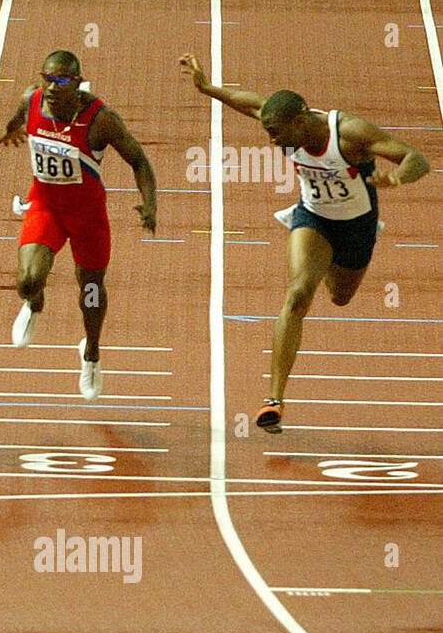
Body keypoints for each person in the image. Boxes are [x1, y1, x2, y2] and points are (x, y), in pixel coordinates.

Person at [179, 53, 429, 433]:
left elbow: (416, 158)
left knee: (340, 297)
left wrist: (397, 180)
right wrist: (207, 86)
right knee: (297, 295)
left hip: (357, 226)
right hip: (313, 218)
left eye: (276, 133)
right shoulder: (281, 121)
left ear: (299, 122)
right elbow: (250, 102)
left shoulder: (350, 133)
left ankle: (327, 265)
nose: (271, 139)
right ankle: (274, 401)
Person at [0, 50, 157, 401]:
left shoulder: (101, 119)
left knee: (91, 291)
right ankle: (35, 304)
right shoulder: (32, 99)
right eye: (47, 79)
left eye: (62, 80)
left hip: (87, 217)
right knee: (27, 281)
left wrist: (150, 202)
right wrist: (11, 130)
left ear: (78, 80)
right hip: (46, 207)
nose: (52, 87)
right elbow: (20, 116)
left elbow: (139, 160)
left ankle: (92, 353)